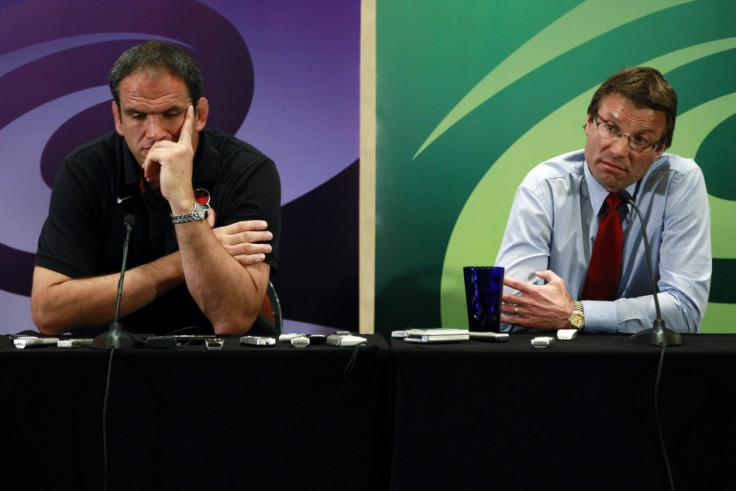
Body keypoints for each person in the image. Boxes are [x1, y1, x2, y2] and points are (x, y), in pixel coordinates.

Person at [31, 41, 280, 337]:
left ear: (198, 115)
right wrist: (182, 262)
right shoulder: (85, 169)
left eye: (171, 113)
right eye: (137, 116)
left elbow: (232, 320)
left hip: (217, 364)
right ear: (118, 118)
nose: (154, 134)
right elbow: (49, 312)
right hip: (110, 363)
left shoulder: (248, 170)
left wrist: (182, 201)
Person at [495, 67, 711, 334]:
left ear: (659, 150)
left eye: (641, 140)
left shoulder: (678, 183)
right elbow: (513, 308)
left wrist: (576, 314)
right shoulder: (545, 187)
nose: (619, 150)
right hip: (553, 360)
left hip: (645, 365)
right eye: (611, 128)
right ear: (589, 122)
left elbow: (685, 312)